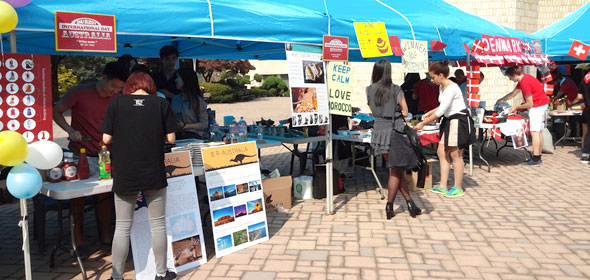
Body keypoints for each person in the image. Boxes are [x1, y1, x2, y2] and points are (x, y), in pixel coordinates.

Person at [101, 71, 177, 280]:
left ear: (130, 87)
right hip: (153, 170)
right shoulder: (160, 104)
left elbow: (106, 139)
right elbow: (171, 139)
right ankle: (161, 274)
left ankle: (117, 276)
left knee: (122, 227)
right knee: (158, 224)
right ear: (150, 86)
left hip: (126, 172)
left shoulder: (116, 103)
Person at [53, 61, 128, 257]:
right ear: (103, 78)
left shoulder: (118, 98)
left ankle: (105, 236)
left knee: (105, 197)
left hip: (107, 155)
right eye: (113, 86)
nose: (114, 92)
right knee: (78, 197)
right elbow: (56, 111)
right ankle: (77, 240)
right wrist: (70, 131)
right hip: (81, 154)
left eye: (119, 88)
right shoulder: (79, 92)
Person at [366, 58, 422, 219]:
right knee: (396, 170)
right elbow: (405, 112)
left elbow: (372, 107)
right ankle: (390, 205)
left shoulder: (369, 89)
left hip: (379, 131)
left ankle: (410, 203)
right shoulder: (396, 89)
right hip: (395, 131)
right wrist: (395, 108)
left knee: (396, 169)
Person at [414, 60, 474, 198]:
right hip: (448, 121)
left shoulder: (452, 88)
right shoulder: (442, 87)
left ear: (441, 75)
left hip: (457, 121)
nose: (432, 80)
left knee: (456, 154)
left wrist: (423, 124)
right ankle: (442, 185)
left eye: (433, 77)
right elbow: (442, 106)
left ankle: (458, 187)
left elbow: (441, 111)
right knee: (441, 151)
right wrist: (430, 112)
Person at [497, 66, 550, 166]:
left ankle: (536, 158)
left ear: (514, 74)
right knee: (538, 131)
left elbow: (529, 104)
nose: (510, 79)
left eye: (510, 77)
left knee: (534, 132)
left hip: (537, 106)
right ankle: (537, 156)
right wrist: (501, 100)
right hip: (542, 104)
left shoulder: (525, 83)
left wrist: (516, 107)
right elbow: (513, 93)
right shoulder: (525, 78)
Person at [171, 68, 209, 139]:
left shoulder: (198, 101)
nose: (175, 80)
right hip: (177, 136)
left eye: (178, 77)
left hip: (194, 137)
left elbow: (204, 124)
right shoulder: (175, 99)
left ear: (185, 80)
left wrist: (185, 126)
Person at [575, 70, 590, 164]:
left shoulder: (584, 79)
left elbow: (579, 96)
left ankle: (585, 154)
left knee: (588, 132)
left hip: (588, 109)